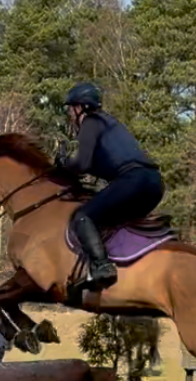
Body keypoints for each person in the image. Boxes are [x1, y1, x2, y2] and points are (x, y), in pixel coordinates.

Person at [58, 81, 166, 293]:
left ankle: (101, 266)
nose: (71, 115)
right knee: (112, 223)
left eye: (71, 109)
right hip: (153, 183)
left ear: (80, 107)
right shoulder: (110, 124)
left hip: (133, 181)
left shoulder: (91, 122)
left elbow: (82, 164)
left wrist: (63, 162)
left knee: (83, 217)